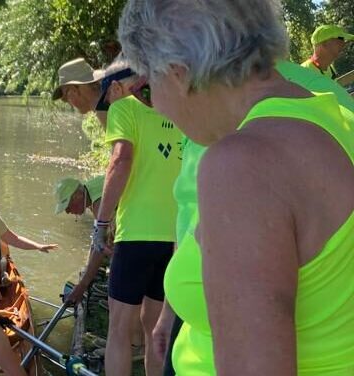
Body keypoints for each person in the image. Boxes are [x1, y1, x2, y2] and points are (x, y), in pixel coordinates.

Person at [119, 0, 354, 374]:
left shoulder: (243, 164)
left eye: (148, 87)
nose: (158, 107)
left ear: (179, 75)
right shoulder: (336, 119)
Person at [89, 57, 182, 376]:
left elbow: (121, 160)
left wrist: (101, 223)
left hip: (137, 235)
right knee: (157, 331)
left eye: (107, 93)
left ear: (116, 87)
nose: (107, 102)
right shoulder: (178, 109)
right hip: (176, 238)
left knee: (119, 330)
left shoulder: (123, 108)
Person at [53, 176, 108, 305]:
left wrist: (82, 286)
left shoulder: (99, 204)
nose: (67, 211)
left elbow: (101, 246)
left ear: (78, 196)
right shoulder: (90, 188)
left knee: (110, 249)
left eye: (67, 206)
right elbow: (97, 238)